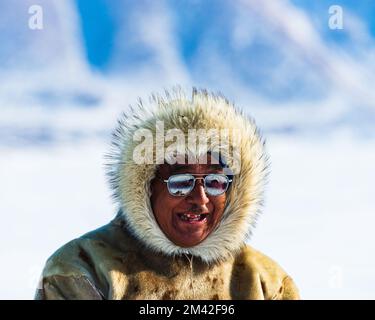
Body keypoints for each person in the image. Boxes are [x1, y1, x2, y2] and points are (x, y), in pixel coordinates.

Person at [35, 88, 299, 300]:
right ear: (146, 186)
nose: (200, 198)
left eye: (215, 181)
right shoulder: (82, 269)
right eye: (181, 182)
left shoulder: (265, 282)